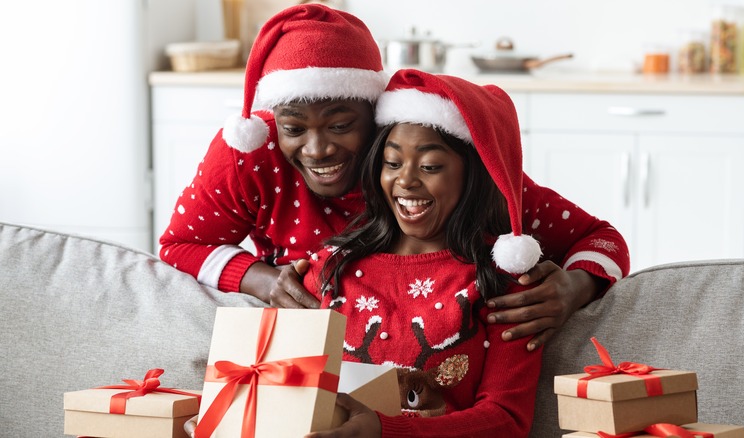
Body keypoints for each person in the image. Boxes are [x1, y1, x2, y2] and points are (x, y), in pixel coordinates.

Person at [158, 3, 630, 351]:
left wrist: (576, 286)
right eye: (294, 129)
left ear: (378, 117)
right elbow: (178, 244)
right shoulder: (249, 152)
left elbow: (602, 238)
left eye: (341, 125)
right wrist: (260, 279)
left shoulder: (429, 161)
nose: (318, 149)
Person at [302, 69, 545, 437]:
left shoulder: (504, 283)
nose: (406, 180)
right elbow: (286, 382)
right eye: (393, 162)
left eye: (430, 166)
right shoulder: (333, 266)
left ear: (472, 175)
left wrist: (388, 432)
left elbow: (507, 419)